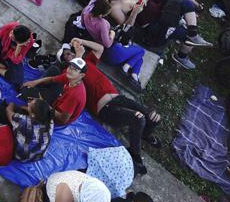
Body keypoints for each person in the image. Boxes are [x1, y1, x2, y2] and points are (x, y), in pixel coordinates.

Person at [62, 39, 159, 176]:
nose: (69, 55)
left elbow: (100, 48)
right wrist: (77, 56)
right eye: (65, 56)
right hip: (106, 109)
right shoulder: (70, 75)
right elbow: (76, 72)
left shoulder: (87, 62)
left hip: (119, 99)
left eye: (69, 53)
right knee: (139, 119)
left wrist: (80, 41)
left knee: (154, 118)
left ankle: (145, 134)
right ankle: (135, 154)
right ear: (65, 64)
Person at [79, 0, 146, 92]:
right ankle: (125, 67)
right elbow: (107, 44)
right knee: (141, 51)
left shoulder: (86, 11)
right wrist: (112, 34)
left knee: (139, 59)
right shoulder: (101, 23)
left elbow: (82, 23)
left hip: (104, 56)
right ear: (101, 14)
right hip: (113, 53)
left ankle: (134, 76)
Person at [22, 57, 88, 126]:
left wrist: (44, 104)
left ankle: (37, 97)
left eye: (74, 69)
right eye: (70, 67)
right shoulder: (71, 77)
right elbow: (52, 79)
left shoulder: (75, 95)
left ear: (82, 75)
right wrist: (34, 82)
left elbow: (62, 119)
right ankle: (38, 90)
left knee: (26, 91)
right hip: (58, 99)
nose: (70, 70)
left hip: (55, 115)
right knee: (54, 70)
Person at [0, 23, 36, 89]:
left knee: (18, 82)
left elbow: (16, 60)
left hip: (9, 58)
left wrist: (19, 46)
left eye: (13, 38)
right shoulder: (11, 26)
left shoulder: (28, 42)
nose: (10, 35)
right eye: (11, 32)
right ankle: (3, 66)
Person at [6, 97, 54, 162]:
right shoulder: (50, 121)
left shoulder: (23, 121)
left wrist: (11, 103)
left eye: (29, 105)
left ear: (33, 115)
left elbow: (8, 111)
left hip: (21, 157)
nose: (28, 103)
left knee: (3, 115)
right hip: (38, 156)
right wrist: (28, 109)